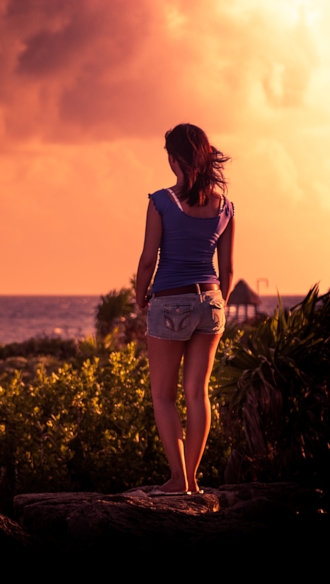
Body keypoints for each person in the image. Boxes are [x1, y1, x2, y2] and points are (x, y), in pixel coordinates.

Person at [135, 123, 234, 496]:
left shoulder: (162, 201)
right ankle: (192, 480)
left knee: (163, 395)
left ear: (174, 158)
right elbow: (228, 270)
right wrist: (215, 301)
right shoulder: (224, 206)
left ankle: (178, 481)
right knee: (198, 393)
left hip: (170, 299)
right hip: (211, 301)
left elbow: (148, 260)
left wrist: (140, 294)